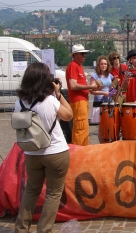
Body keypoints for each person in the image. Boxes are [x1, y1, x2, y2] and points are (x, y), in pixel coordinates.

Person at [14, 63, 73, 233]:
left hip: (31, 152)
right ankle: (44, 230)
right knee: (53, 194)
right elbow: (68, 115)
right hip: (55, 152)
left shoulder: (20, 102)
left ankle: (21, 227)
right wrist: (58, 93)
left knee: (31, 190)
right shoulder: (50, 101)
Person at [65, 44, 100, 146]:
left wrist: (91, 87)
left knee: (83, 126)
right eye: (82, 54)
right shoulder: (73, 66)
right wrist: (90, 87)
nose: (85, 55)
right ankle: (79, 149)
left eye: (85, 53)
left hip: (82, 100)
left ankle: (83, 148)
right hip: (78, 100)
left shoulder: (78, 66)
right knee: (80, 127)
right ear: (75, 55)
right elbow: (73, 85)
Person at [89, 56, 114, 143]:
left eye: (105, 64)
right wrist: (103, 93)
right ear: (98, 65)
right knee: (101, 126)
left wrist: (112, 92)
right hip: (98, 103)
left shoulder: (110, 76)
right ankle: (101, 144)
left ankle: (108, 142)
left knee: (108, 125)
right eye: (102, 64)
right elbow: (91, 91)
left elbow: (112, 87)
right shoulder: (95, 76)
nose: (104, 65)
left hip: (108, 102)